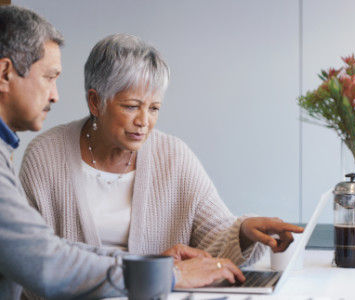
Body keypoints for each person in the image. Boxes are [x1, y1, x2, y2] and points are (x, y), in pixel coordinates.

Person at [0, 6, 249, 300]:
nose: (55, 94)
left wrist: (151, 265)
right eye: (49, 77)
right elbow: (44, 265)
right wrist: (168, 275)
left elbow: (46, 248)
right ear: (5, 74)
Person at [20, 34, 303, 271]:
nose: (144, 121)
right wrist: (149, 269)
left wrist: (242, 233)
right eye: (132, 106)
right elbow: (31, 260)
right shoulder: (45, 157)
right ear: (96, 102)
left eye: (154, 108)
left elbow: (214, 238)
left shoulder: (174, 156)